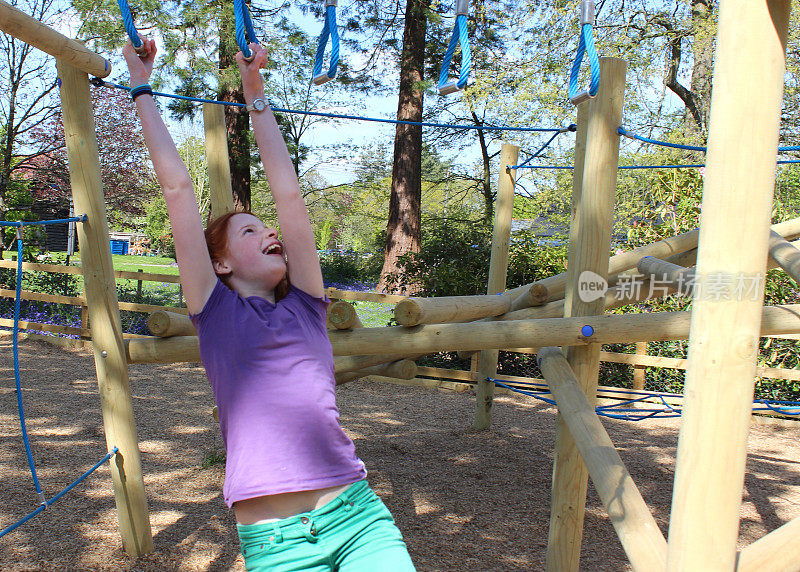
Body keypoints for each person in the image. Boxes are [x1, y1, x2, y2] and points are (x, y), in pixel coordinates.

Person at [123, 39, 416, 572]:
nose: (271, 231)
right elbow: (177, 189)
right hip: (274, 544)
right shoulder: (214, 312)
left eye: (267, 227)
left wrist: (255, 92)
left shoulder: (307, 305)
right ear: (221, 265)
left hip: (356, 518)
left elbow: (290, 198)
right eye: (249, 231)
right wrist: (141, 85)